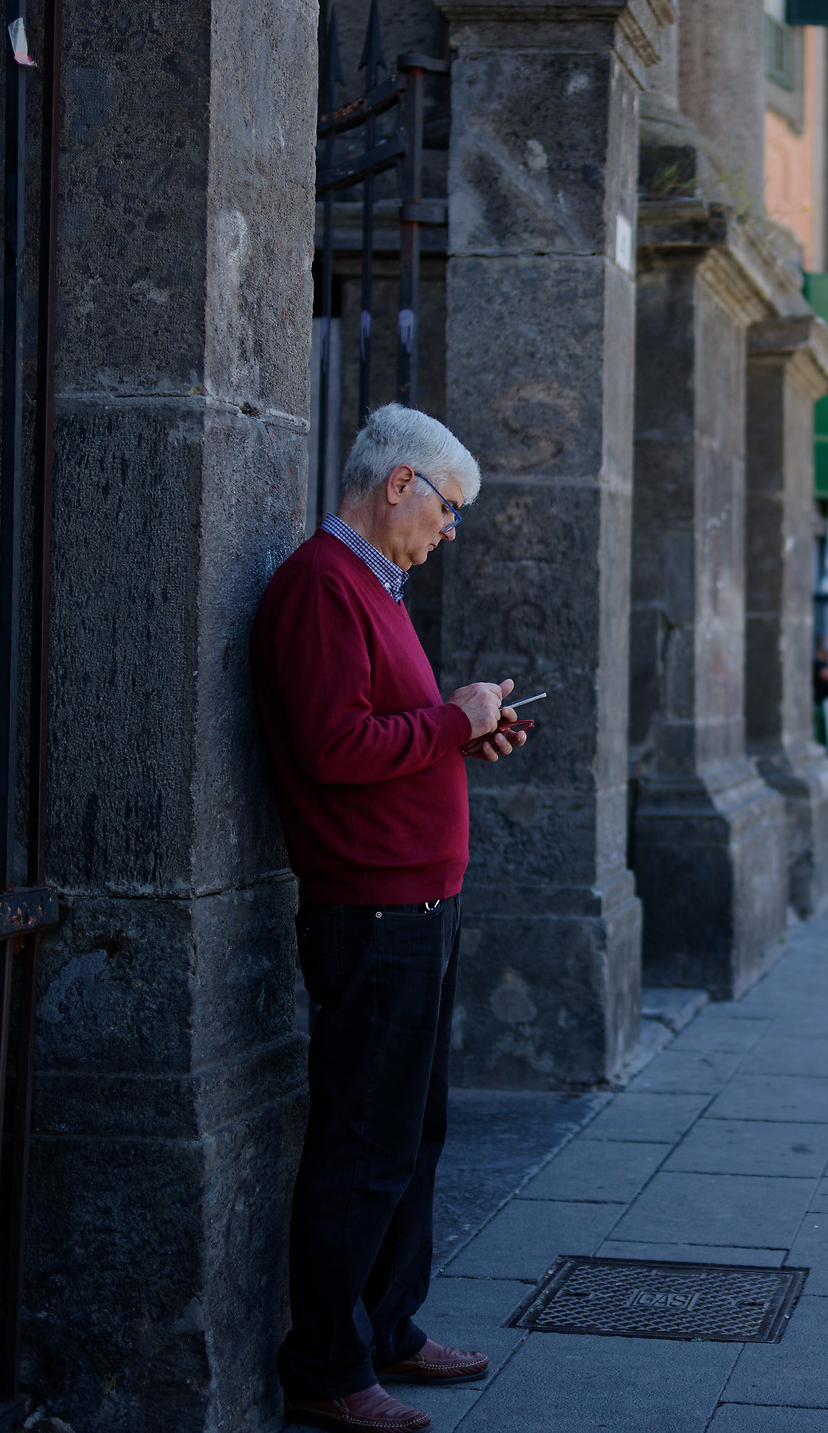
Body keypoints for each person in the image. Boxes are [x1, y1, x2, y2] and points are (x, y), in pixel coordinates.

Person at [251, 404, 526, 1433]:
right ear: (399, 482)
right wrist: (452, 720)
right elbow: (332, 747)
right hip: (372, 911)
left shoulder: (375, 588)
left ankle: (389, 1327)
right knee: (365, 1143)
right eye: (449, 508)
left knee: (413, 1132)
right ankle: (326, 1366)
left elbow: (390, 733)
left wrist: (463, 733)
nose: (452, 528)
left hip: (417, 902)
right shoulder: (323, 586)